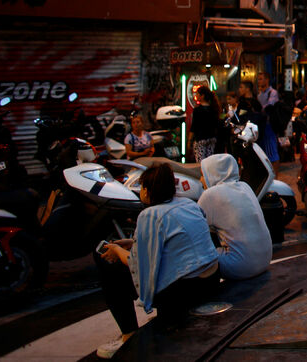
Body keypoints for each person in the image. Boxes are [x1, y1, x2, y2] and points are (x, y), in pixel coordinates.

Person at [95, 164, 218, 358]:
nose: (141, 191)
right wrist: (132, 242)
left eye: (143, 186)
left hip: (185, 291)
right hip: (211, 280)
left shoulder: (150, 215)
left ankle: (128, 334)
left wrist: (117, 250)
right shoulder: (189, 204)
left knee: (110, 270)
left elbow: (137, 263)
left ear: (148, 190)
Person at [198, 154, 272, 280]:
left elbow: (196, 229)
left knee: (197, 257)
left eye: (203, 174)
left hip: (241, 266)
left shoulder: (210, 195)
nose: (201, 179)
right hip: (265, 260)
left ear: (212, 174)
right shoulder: (245, 186)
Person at [189, 87, 221, 163]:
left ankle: (203, 174)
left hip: (200, 139)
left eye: (197, 94)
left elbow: (194, 126)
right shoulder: (214, 108)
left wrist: (190, 140)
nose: (196, 95)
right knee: (209, 162)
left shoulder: (197, 110)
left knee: (200, 162)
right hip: (211, 138)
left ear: (202, 96)